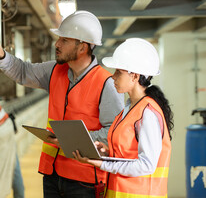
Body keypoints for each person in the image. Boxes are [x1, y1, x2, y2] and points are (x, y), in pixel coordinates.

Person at [0, 10, 125, 197]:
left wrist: (72, 141)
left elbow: (115, 131)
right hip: (52, 174)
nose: (57, 44)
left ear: (82, 47)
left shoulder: (106, 83)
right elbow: (23, 72)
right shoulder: (55, 70)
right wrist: (2, 56)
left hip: (84, 180)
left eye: (64, 40)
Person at [73, 38, 174, 198]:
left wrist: (103, 164)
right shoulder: (129, 108)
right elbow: (129, 154)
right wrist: (107, 153)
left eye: (118, 72)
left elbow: (147, 165)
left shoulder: (147, 113)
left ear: (134, 76)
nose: (113, 77)